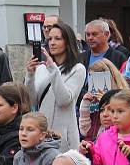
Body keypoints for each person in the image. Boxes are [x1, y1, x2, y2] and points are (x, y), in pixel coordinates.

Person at [25, 22, 86, 151]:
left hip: (64, 136)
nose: (52, 42)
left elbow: (63, 100)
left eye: (58, 39)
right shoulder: (42, 68)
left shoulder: (78, 69)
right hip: (42, 132)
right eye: (50, 39)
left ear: (68, 42)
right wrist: (30, 75)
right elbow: (31, 100)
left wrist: (53, 69)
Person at [79, 59, 129, 141]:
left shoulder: (124, 98)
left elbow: (121, 127)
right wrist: (85, 104)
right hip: (93, 147)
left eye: (100, 79)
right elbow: (85, 131)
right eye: (92, 79)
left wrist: (107, 102)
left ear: (110, 79)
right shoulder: (93, 102)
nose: (96, 85)